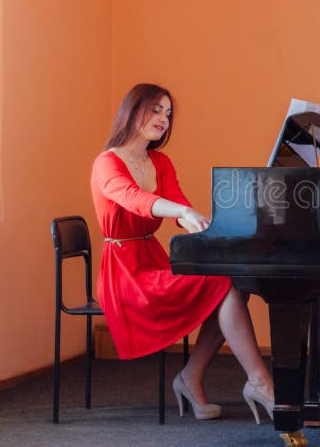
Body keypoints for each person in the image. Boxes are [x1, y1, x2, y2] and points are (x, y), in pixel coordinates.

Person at [90, 83, 273, 422]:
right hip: (125, 275)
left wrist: (205, 225)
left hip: (155, 260)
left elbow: (179, 203)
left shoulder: (160, 161)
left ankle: (204, 378)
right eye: (156, 110)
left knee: (227, 283)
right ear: (133, 110)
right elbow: (134, 199)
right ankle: (254, 382)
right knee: (223, 287)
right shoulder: (107, 163)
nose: (164, 119)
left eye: (168, 113)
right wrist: (182, 213)